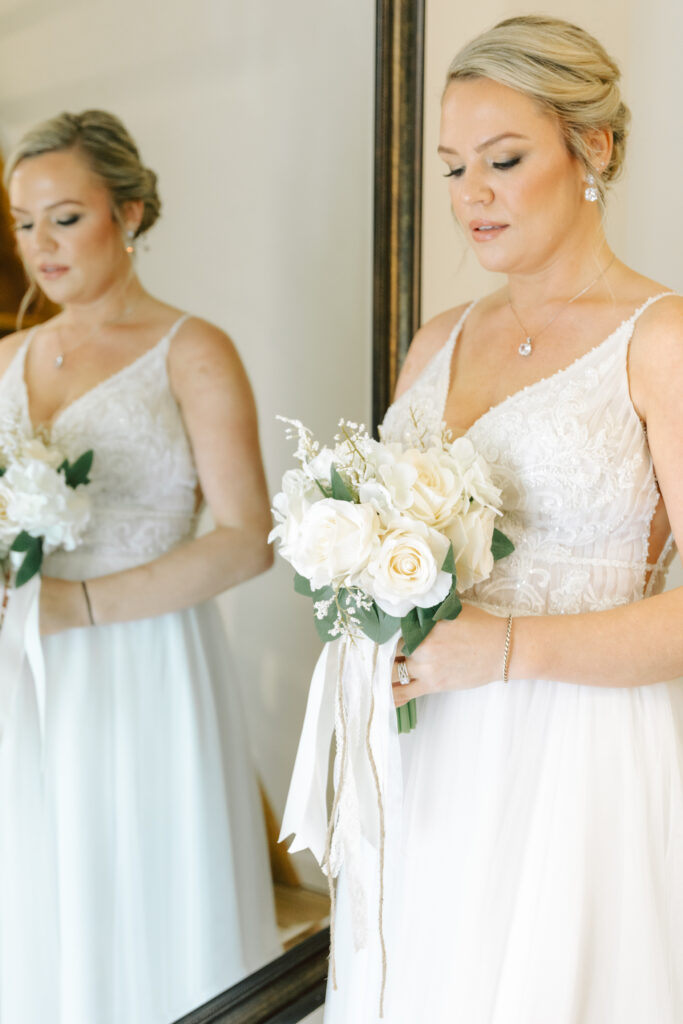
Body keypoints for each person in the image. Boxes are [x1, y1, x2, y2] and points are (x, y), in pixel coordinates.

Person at [324, 16, 683, 1024]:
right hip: (424, 747)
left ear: (592, 148)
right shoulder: (436, 339)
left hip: (577, 753)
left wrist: (508, 648)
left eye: (502, 160)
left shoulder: (659, 338)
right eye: (449, 168)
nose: (468, 195)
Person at [0, 110, 280, 1024]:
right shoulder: (5, 360)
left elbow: (245, 534)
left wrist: (80, 605)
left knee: (140, 880)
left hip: (144, 662)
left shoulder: (192, 351)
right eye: (23, 221)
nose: (40, 244)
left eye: (65, 217)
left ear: (130, 210)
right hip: (20, 670)